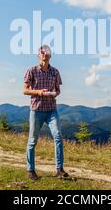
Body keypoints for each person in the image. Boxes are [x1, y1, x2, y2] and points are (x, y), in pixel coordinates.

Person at [23, 45, 69, 181]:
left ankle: (59, 170)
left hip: (51, 110)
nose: (44, 54)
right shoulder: (31, 70)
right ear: (38, 55)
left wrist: (54, 93)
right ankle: (30, 170)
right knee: (32, 141)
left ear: (50, 55)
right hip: (36, 110)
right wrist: (38, 92)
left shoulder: (55, 72)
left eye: (46, 52)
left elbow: (58, 90)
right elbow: (25, 90)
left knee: (58, 136)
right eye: (41, 52)